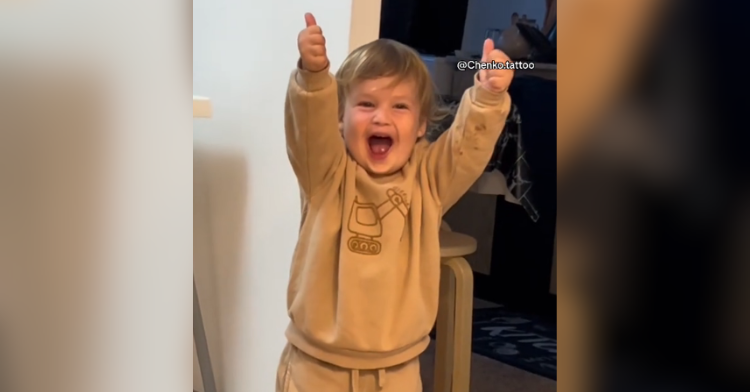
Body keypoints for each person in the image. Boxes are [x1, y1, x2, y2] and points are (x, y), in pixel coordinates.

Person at [276, 12, 513, 392]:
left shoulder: (429, 181)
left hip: (398, 371)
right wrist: (313, 76)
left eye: (400, 107)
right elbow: (307, 128)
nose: (381, 118)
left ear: (421, 125)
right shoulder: (325, 172)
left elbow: (466, 147)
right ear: (340, 117)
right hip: (317, 370)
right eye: (366, 104)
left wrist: (488, 97)